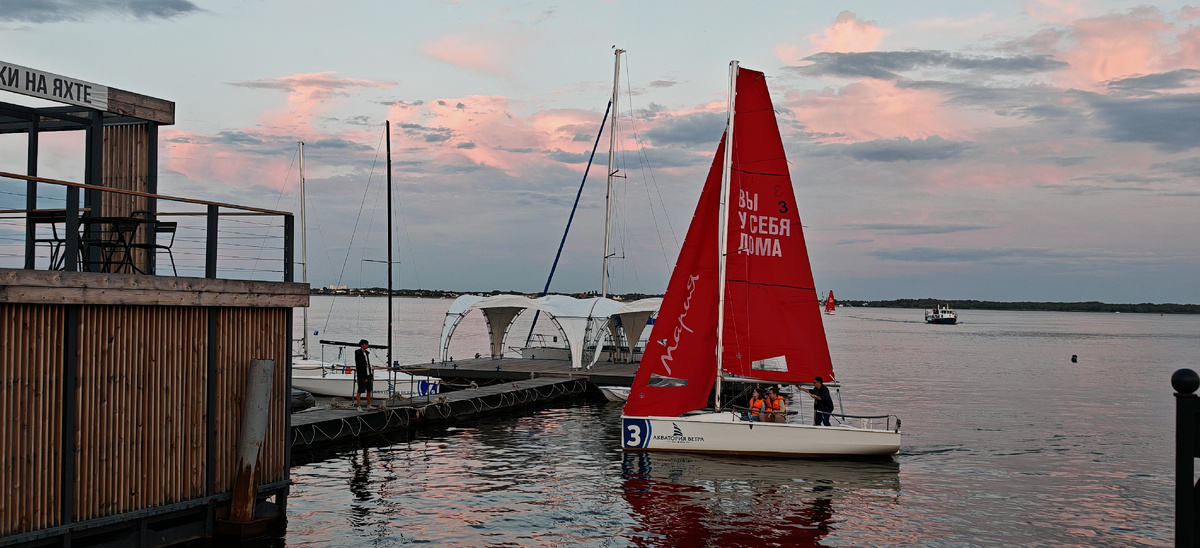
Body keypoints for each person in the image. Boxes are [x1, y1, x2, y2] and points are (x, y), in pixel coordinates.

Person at [354, 339, 374, 411]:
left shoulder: (366, 353)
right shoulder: (358, 353)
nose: (367, 345)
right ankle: (358, 406)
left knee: (369, 390)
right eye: (366, 344)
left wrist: (371, 375)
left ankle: (368, 405)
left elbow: (368, 364)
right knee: (360, 391)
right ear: (362, 345)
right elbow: (359, 366)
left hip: (368, 374)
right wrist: (363, 377)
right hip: (362, 375)